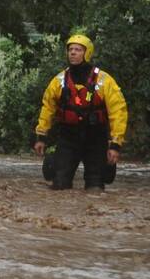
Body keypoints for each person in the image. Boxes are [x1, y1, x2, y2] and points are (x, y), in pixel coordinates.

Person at [33, 34, 128, 192]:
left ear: (87, 53)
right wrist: (41, 137)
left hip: (95, 136)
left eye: (78, 50)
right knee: (59, 184)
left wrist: (115, 145)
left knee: (95, 186)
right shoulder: (59, 80)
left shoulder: (104, 80)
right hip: (68, 136)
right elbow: (47, 108)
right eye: (70, 49)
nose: (73, 53)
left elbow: (118, 112)